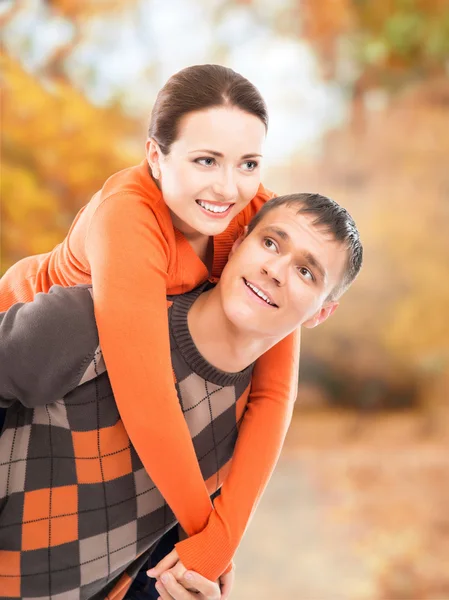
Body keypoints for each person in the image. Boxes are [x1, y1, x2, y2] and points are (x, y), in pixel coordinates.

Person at [0, 64, 296, 586]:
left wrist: (222, 540)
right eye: (206, 160)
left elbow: (272, 394)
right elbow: (146, 395)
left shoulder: (261, 221)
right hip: (23, 359)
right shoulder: (129, 215)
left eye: (248, 163)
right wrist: (205, 538)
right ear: (156, 157)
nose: (229, 187)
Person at [0, 193, 363, 600]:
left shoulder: (243, 441)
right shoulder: (88, 322)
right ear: (238, 242)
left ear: (320, 314)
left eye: (306, 272)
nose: (275, 270)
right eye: (270, 243)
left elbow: (138, 563)